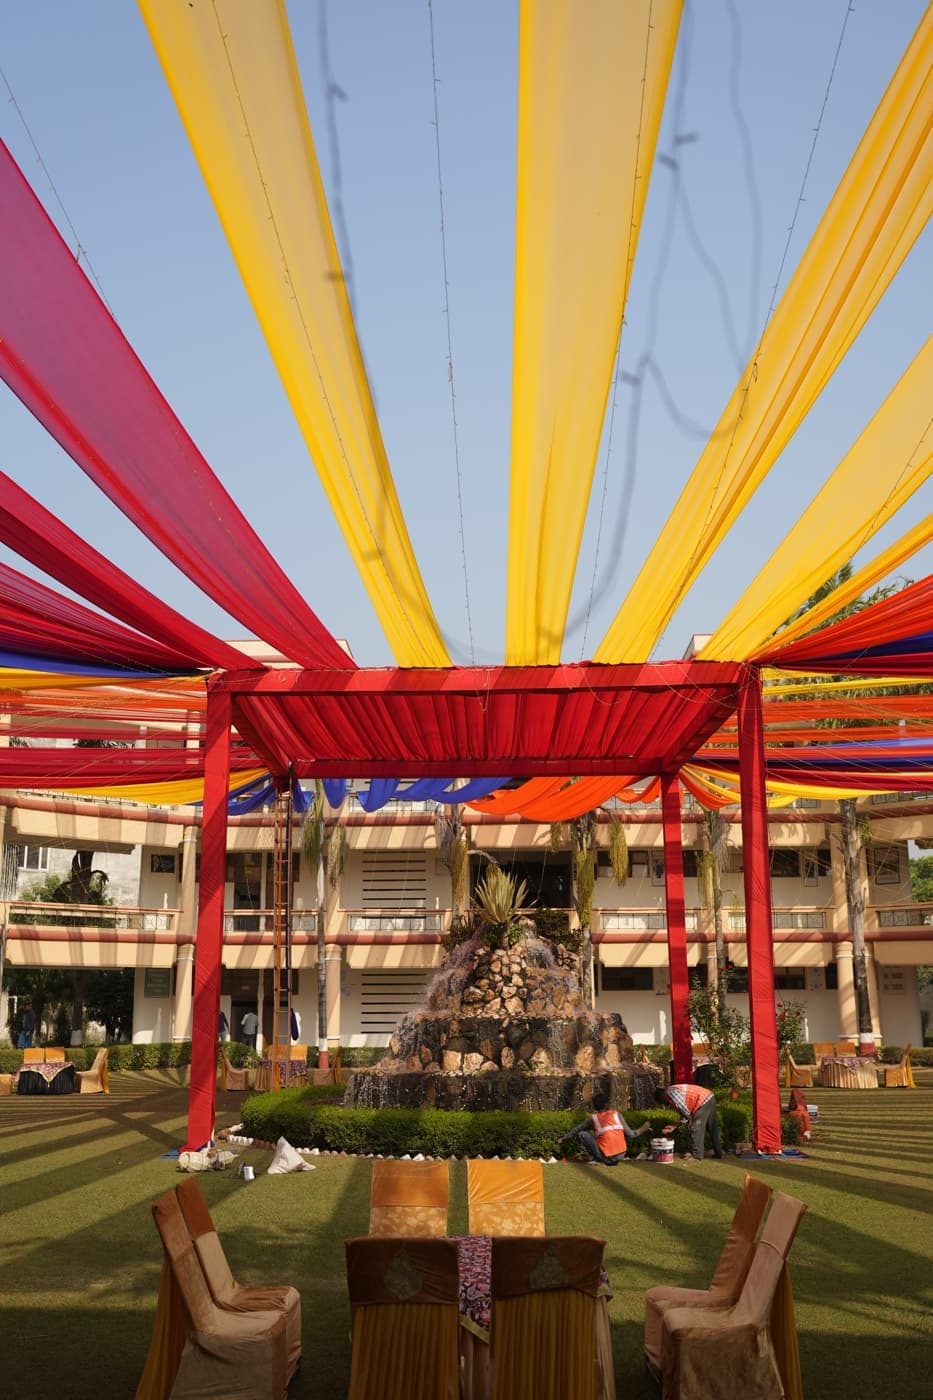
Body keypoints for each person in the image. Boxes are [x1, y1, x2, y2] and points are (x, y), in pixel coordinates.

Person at [562, 1092, 651, 1165]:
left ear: (595, 1106)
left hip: (606, 1158)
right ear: (607, 1105)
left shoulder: (593, 1119)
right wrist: (644, 1128)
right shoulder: (617, 1114)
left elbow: (577, 1129)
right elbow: (631, 1134)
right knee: (598, 1133)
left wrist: (564, 1138)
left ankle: (595, 1159)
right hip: (621, 1155)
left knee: (582, 1134)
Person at [655, 1083, 724, 1159]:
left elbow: (686, 1113)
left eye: (666, 1102)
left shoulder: (672, 1093)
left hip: (703, 1100)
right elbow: (685, 1115)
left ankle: (696, 1155)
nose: (668, 1104)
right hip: (709, 1097)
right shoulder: (671, 1093)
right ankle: (719, 1153)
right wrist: (673, 1126)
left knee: (695, 1127)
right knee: (711, 1127)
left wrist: (681, 1125)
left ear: (664, 1095)